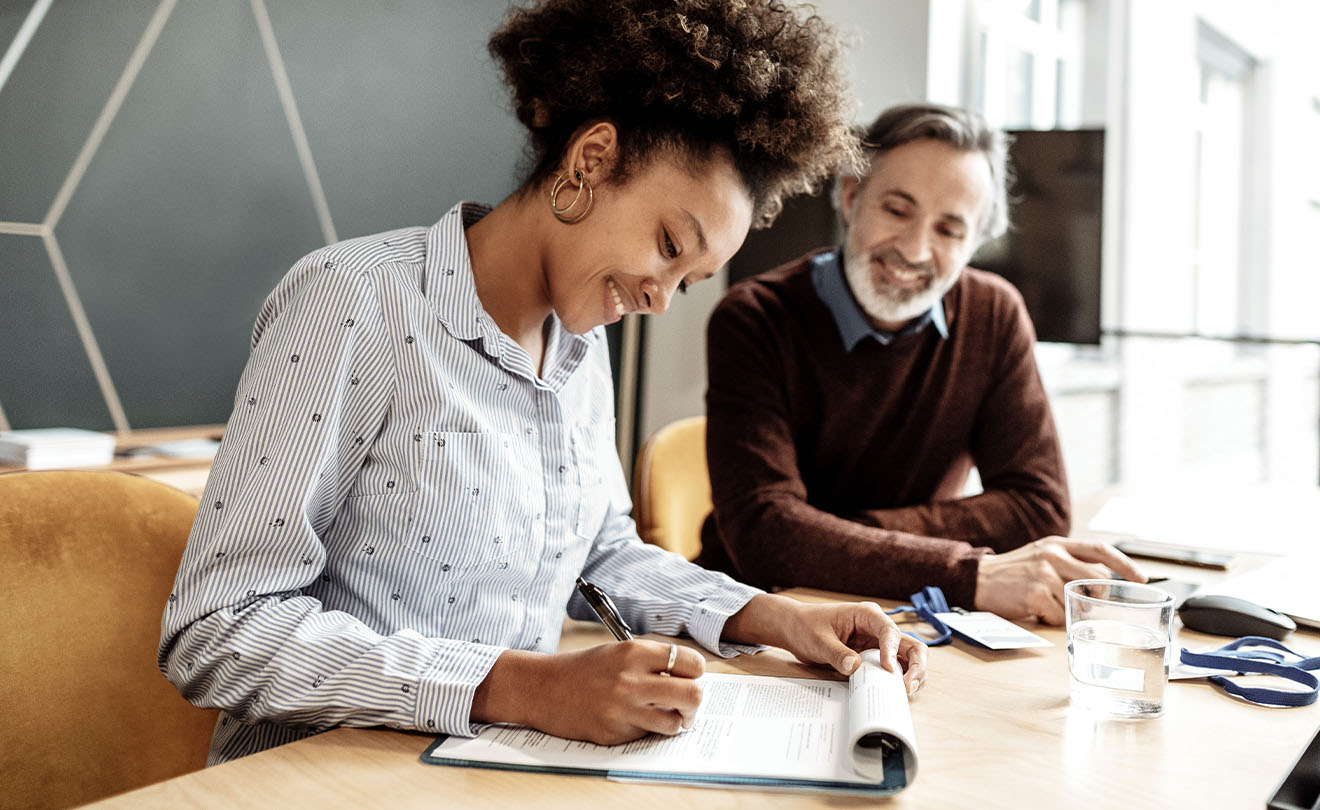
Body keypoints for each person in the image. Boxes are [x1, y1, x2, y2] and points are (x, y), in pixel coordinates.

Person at [159, 0, 926, 766]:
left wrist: (773, 617)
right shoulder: (355, 301)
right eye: (667, 245)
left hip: (496, 773)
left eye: (687, 282)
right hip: (324, 778)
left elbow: (600, 554)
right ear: (591, 160)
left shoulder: (580, 348)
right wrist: (525, 687)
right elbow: (219, 626)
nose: (659, 299)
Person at [698, 103, 1144, 624]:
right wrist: (967, 572)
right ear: (850, 196)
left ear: (975, 243)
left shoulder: (994, 314)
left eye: (949, 230)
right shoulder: (754, 318)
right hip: (763, 617)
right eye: (897, 209)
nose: (914, 249)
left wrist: (827, 532)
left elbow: (1038, 511)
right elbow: (764, 537)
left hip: (911, 613)